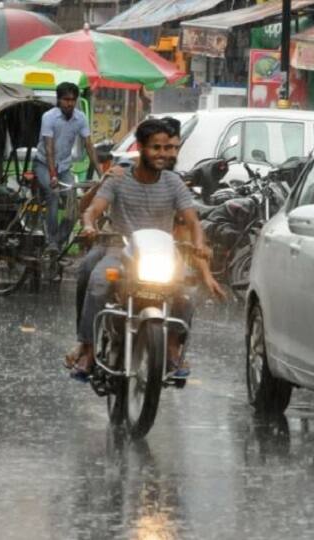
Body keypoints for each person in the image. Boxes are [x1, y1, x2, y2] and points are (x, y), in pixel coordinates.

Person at [66, 119, 217, 380]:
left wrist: (200, 244)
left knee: (185, 293)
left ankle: (172, 349)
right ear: (142, 148)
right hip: (118, 250)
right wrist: (89, 225)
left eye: (169, 148)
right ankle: (88, 350)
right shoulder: (118, 177)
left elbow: (192, 221)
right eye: (156, 148)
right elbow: (93, 210)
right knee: (98, 282)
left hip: (162, 255)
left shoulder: (174, 183)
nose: (164, 154)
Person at [34, 82, 102, 254]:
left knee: (73, 204)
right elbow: (49, 149)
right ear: (59, 100)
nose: (69, 103)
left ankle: (58, 242)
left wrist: (102, 173)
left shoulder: (80, 118)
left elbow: (88, 145)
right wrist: (52, 176)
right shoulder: (49, 117)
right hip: (44, 164)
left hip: (64, 167)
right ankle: (51, 240)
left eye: (72, 100)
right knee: (53, 194)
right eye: (66, 100)